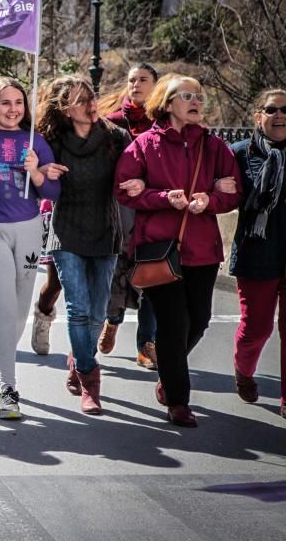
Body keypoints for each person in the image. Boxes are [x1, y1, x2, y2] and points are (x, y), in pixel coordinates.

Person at [116, 76, 241, 426]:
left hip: (202, 249)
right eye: (187, 96)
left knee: (199, 320)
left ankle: (169, 373)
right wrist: (160, 197)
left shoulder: (214, 146)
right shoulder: (144, 145)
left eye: (199, 96)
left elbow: (234, 192)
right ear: (168, 102)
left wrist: (212, 198)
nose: (196, 101)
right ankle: (178, 401)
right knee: (173, 324)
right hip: (158, 248)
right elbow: (123, 190)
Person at [36, 76, 131, 416]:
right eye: (79, 100)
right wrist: (43, 171)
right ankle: (91, 383)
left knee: (97, 310)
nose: (90, 105)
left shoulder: (115, 137)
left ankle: (79, 358)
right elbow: (34, 178)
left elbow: (138, 168)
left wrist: (138, 181)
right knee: (78, 307)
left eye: (91, 98)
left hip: (105, 231)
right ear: (63, 109)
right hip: (66, 232)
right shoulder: (51, 140)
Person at [0, 77, 62, 419]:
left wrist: (37, 173)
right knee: (4, 309)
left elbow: (52, 193)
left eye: (18, 103)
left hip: (27, 231)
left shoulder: (36, 141)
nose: (12, 109)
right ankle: (8, 387)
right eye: (5, 102)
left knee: (21, 310)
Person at [229, 89, 286, 418]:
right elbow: (223, 196)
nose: (279, 115)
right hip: (257, 255)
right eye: (272, 109)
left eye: (285, 110)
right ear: (258, 116)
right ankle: (243, 370)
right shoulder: (239, 154)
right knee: (257, 328)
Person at [99, 63, 161, 369]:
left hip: (152, 212)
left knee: (150, 277)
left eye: (143, 80)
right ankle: (112, 321)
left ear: (156, 86)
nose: (136, 84)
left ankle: (146, 344)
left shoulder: (163, 125)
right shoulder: (112, 125)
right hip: (118, 211)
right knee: (115, 273)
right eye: (131, 80)